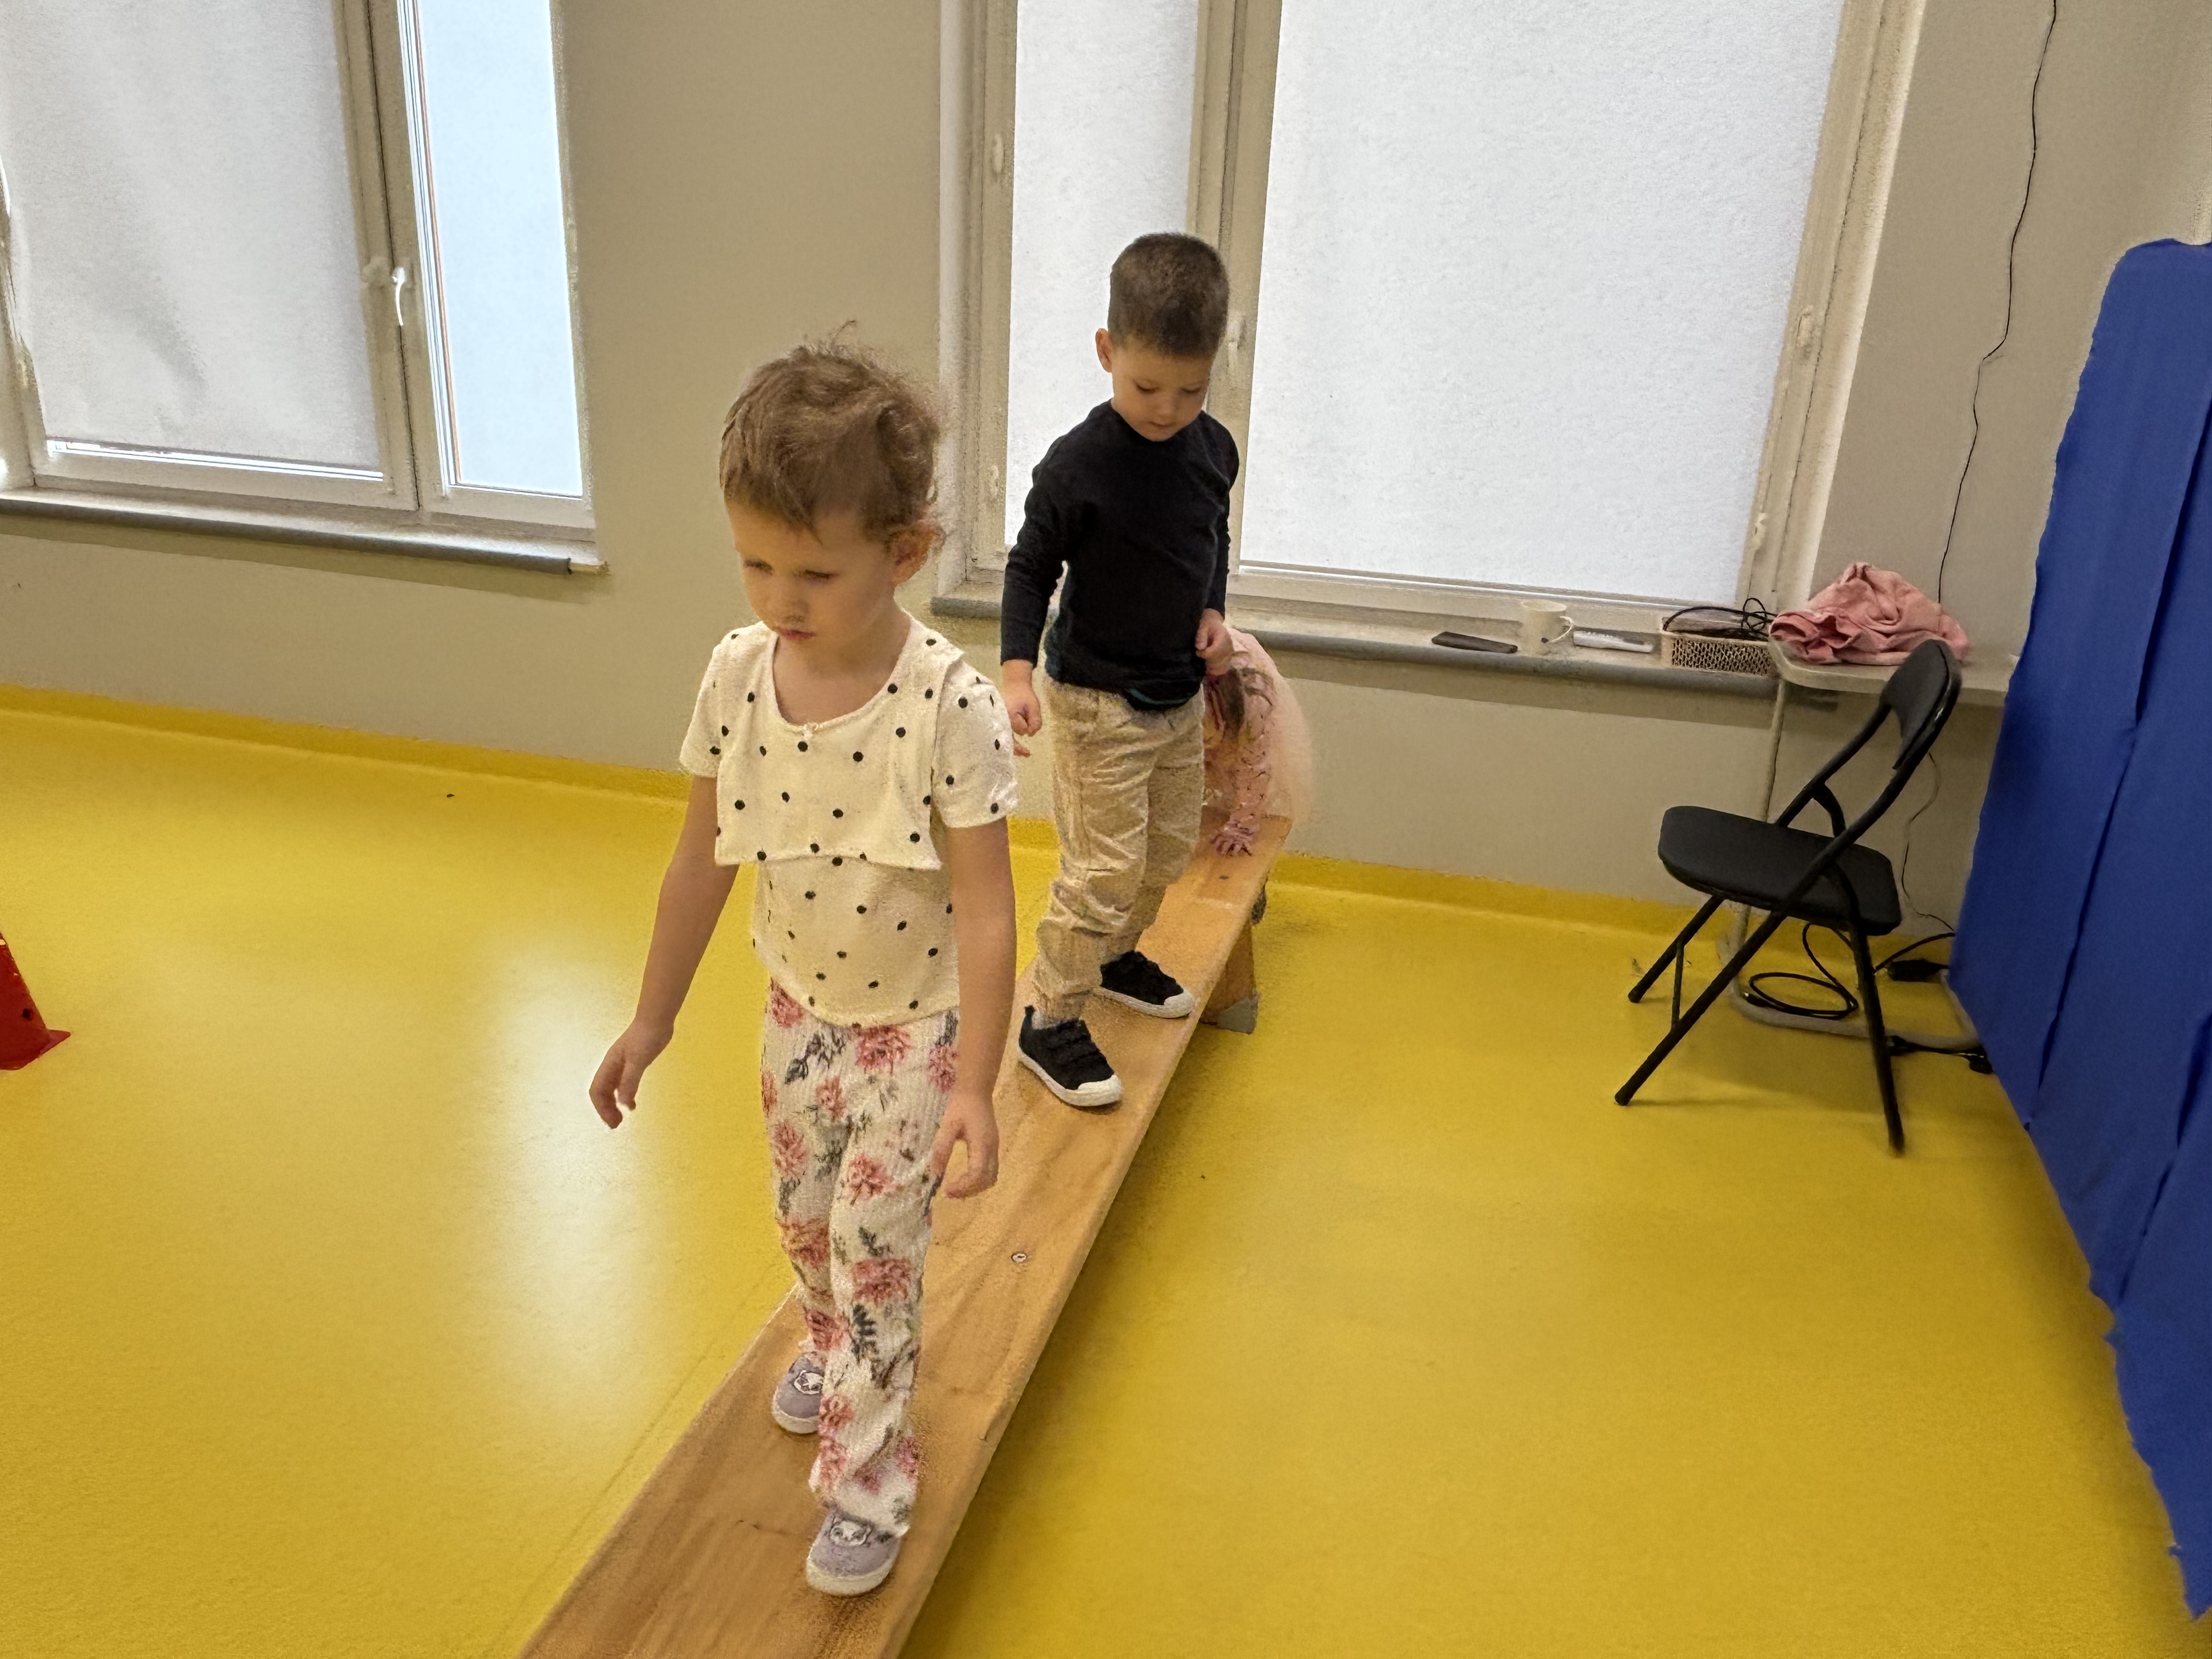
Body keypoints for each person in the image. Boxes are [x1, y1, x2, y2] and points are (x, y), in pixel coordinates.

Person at [587, 336, 1018, 1599]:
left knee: (874, 1246)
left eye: (816, 572)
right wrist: (652, 1019)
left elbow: (992, 913)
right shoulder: (737, 678)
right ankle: (830, 1346)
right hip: (798, 1008)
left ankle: (873, 1478)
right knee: (805, 1221)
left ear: (906, 550)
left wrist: (975, 1084)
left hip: (917, 1029)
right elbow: (698, 863)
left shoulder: (947, 706)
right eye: (756, 563)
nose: (783, 596)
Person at [1000, 232, 1237, 1109]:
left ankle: (1109, 959)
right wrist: (1016, 671)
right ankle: (1050, 1017)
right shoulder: (1079, 466)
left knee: (1165, 852)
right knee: (1102, 872)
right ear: (1107, 352)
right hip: (1098, 698)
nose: (1168, 409)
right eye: (1146, 387)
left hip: (1177, 691)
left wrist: (1212, 611)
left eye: (1191, 390)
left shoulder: (1213, 449)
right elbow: (1031, 568)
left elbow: (1209, 539)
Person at [1201, 625, 1313, 858]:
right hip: (1172, 689)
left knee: (1244, 763)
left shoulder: (1252, 697)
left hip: (1236, 692)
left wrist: (1241, 827)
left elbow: (1254, 765)